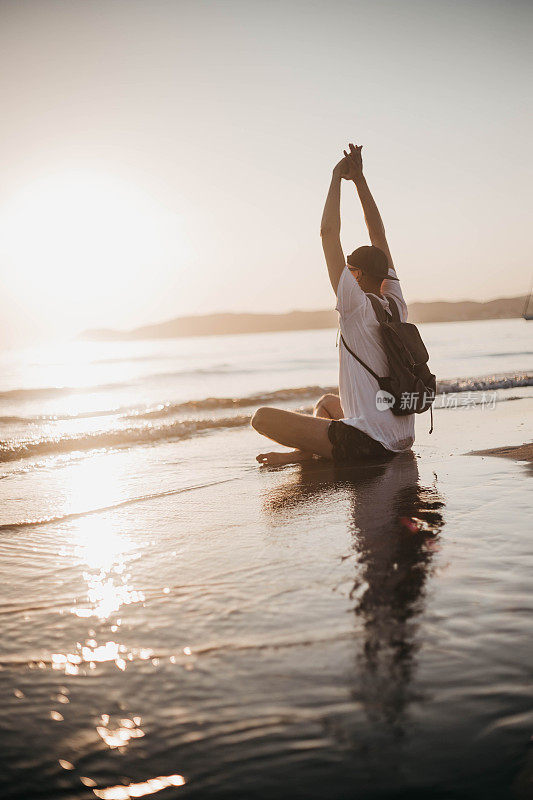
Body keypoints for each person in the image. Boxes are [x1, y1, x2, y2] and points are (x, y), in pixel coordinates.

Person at [252, 142, 415, 466]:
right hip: (401, 438)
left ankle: (305, 456)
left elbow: (329, 233)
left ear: (357, 274)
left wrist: (335, 178)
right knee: (327, 403)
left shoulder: (355, 306)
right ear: (384, 274)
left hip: (370, 445)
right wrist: (360, 181)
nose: (347, 273)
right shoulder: (395, 302)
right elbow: (378, 236)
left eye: (351, 269)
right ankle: (305, 454)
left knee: (261, 418)